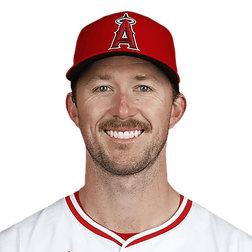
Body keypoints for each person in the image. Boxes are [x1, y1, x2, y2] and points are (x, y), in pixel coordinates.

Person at [0, 9, 251, 252]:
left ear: (176, 110)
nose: (123, 110)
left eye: (143, 88)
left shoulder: (235, 247)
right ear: (73, 109)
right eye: (102, 88)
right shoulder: (15, 246)